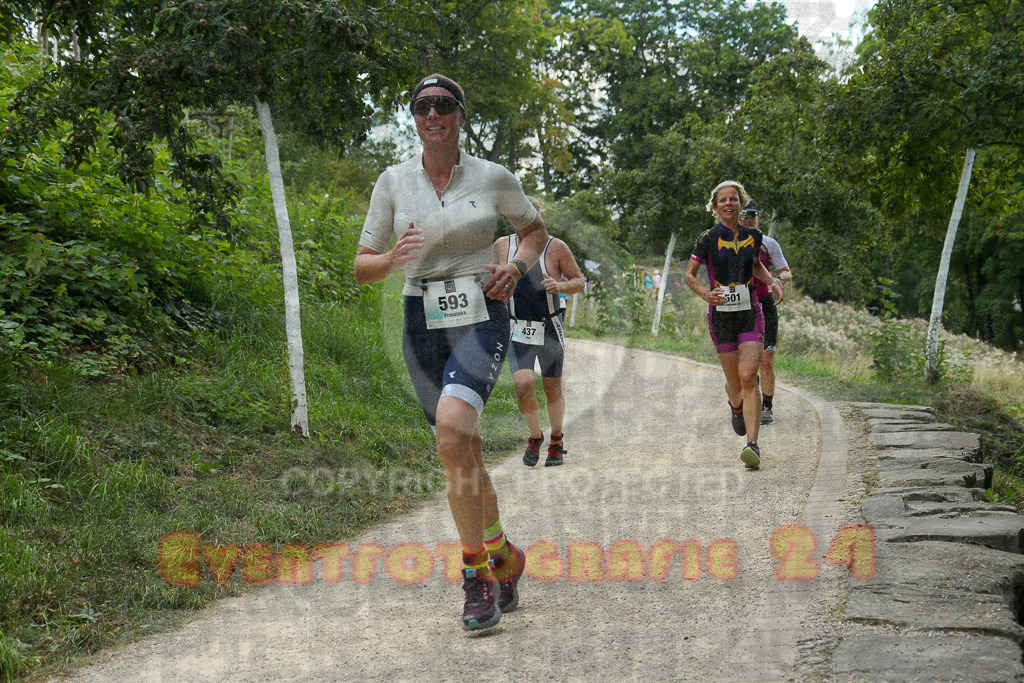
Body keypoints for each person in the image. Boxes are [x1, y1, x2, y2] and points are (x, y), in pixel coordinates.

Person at [353, 74, 546, 631]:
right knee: (459, 447)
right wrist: (390, 260)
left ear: (460, 115)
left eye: (442, 106)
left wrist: (515, 266)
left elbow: (533, 230)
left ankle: (477, 578)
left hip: (482, 312)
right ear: (413, 118)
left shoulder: (491, 176)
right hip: (421, 319)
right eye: (421, 107)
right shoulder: (392, 182)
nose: (431, 115)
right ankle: (504, 554)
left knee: (454, 431)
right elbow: (362, 265)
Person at [684, 180, 782, 469]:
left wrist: (772, 281)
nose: (729, 203)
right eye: (723, 200)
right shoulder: (707, 238)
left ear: (741, 204)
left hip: (750, 312)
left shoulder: (754, 235)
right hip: (721, 316)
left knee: (750, 374)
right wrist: (705, 293)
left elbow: (755, 266)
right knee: (734, 382)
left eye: (734, 199)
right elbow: (690, 274)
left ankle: (752, 445)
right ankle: (736, 406)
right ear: (715, 207)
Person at [494, 197, 585, 468]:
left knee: (551, 387)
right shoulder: (502, 245)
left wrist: (560, 286)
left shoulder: (556, 246)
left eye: (529, 214)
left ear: (538, 217)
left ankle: (556, 439)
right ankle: (535, 436)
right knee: (523, 385)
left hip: (549, 327)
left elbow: (579, 281)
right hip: (517, 327)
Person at [740, 201, 793, 425]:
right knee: (742, 361)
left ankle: (767, 407)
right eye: (743, 215)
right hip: (741, 304)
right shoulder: (730, 241)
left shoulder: (768, 243)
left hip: (764, 302)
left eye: (751, 215)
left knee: (767, 359)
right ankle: (745, 401)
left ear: (758, 216)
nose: (747, 219)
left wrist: (777, 281)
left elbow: (786, 271)